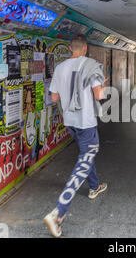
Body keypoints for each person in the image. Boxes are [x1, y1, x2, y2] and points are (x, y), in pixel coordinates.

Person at [44, 34, 108, 238]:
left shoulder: (61, 68)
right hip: (86, 122)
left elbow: (54, 97)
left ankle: (94, 185)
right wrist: (103, 84)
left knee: (85, 154)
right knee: (85, 159)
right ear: (86, 48)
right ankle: (59, 212)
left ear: (71, 48)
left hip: (70, 122)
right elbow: (99, 95)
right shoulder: (92, 66)